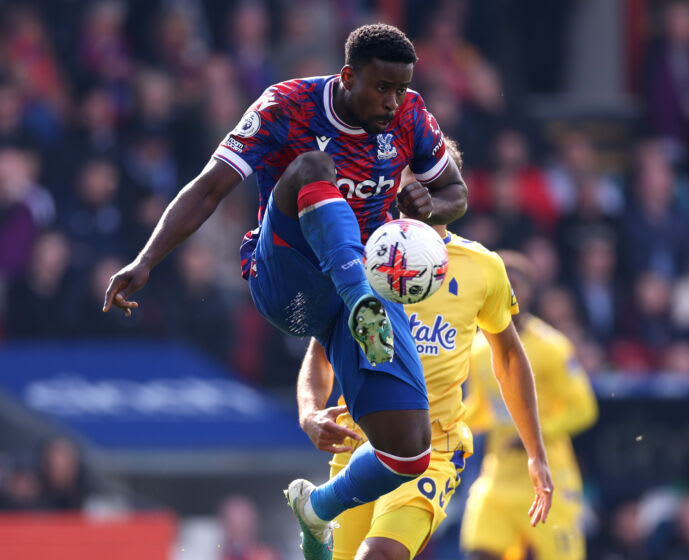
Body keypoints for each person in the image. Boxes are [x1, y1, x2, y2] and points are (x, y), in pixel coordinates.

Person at [102, 24, 467, 560]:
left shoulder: (412, 115)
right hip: (287, 277)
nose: (392, 102)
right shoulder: (287, 104)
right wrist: (147, 258)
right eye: (381, 88)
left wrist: (431, 207)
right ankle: (362, 299)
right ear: (347, 76)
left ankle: (317, 509)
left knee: (410, 451)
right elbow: (209, 186)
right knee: (314, 169)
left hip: (356, 293)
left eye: (400, 88)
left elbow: (455, 191)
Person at [296, 139, 553, 560]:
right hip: (361, 444)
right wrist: (309, 412)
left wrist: (536, 453)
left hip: (435, 447)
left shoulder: (482, 267)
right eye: (410, 178)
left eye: (431, 180)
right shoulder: (359, 256)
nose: (417, 191)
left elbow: (508, 357)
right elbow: (320, 352)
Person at [461, 250, 598, 560]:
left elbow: (584, 409)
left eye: (515, 285)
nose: (508, 292)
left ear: (528, 293)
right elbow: (482, 409)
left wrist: (534, 435)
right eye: (501, 284)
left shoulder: (553, 347)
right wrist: (448, 426)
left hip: (548, 477)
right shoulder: (479, 350)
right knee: (479, 552)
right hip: (498, 478)